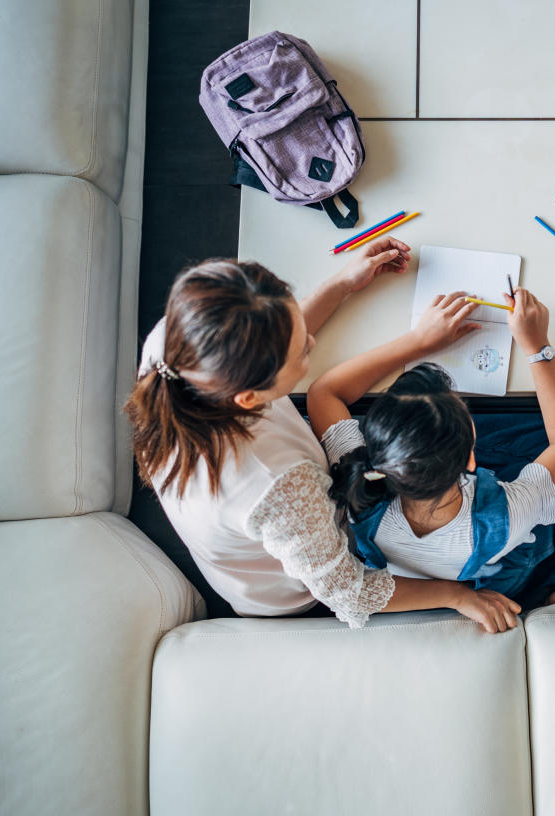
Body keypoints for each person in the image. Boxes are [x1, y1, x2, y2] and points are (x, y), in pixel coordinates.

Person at [124, 241, 521, 633]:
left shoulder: (177, 344)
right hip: (302, 587)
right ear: (248, 397)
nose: (311, 342)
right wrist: (457, 595)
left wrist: (342, 284)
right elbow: (348, 591)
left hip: (294, 514)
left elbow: (277, 342)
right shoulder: (275, 485)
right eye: (301, 354)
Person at [309, 288, 555, 610]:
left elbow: (324, 393)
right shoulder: (509, 514)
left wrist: (418, 341)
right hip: (498, 564)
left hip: (426, 569)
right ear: (472, 458)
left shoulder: (356, 484)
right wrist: (536, 346)